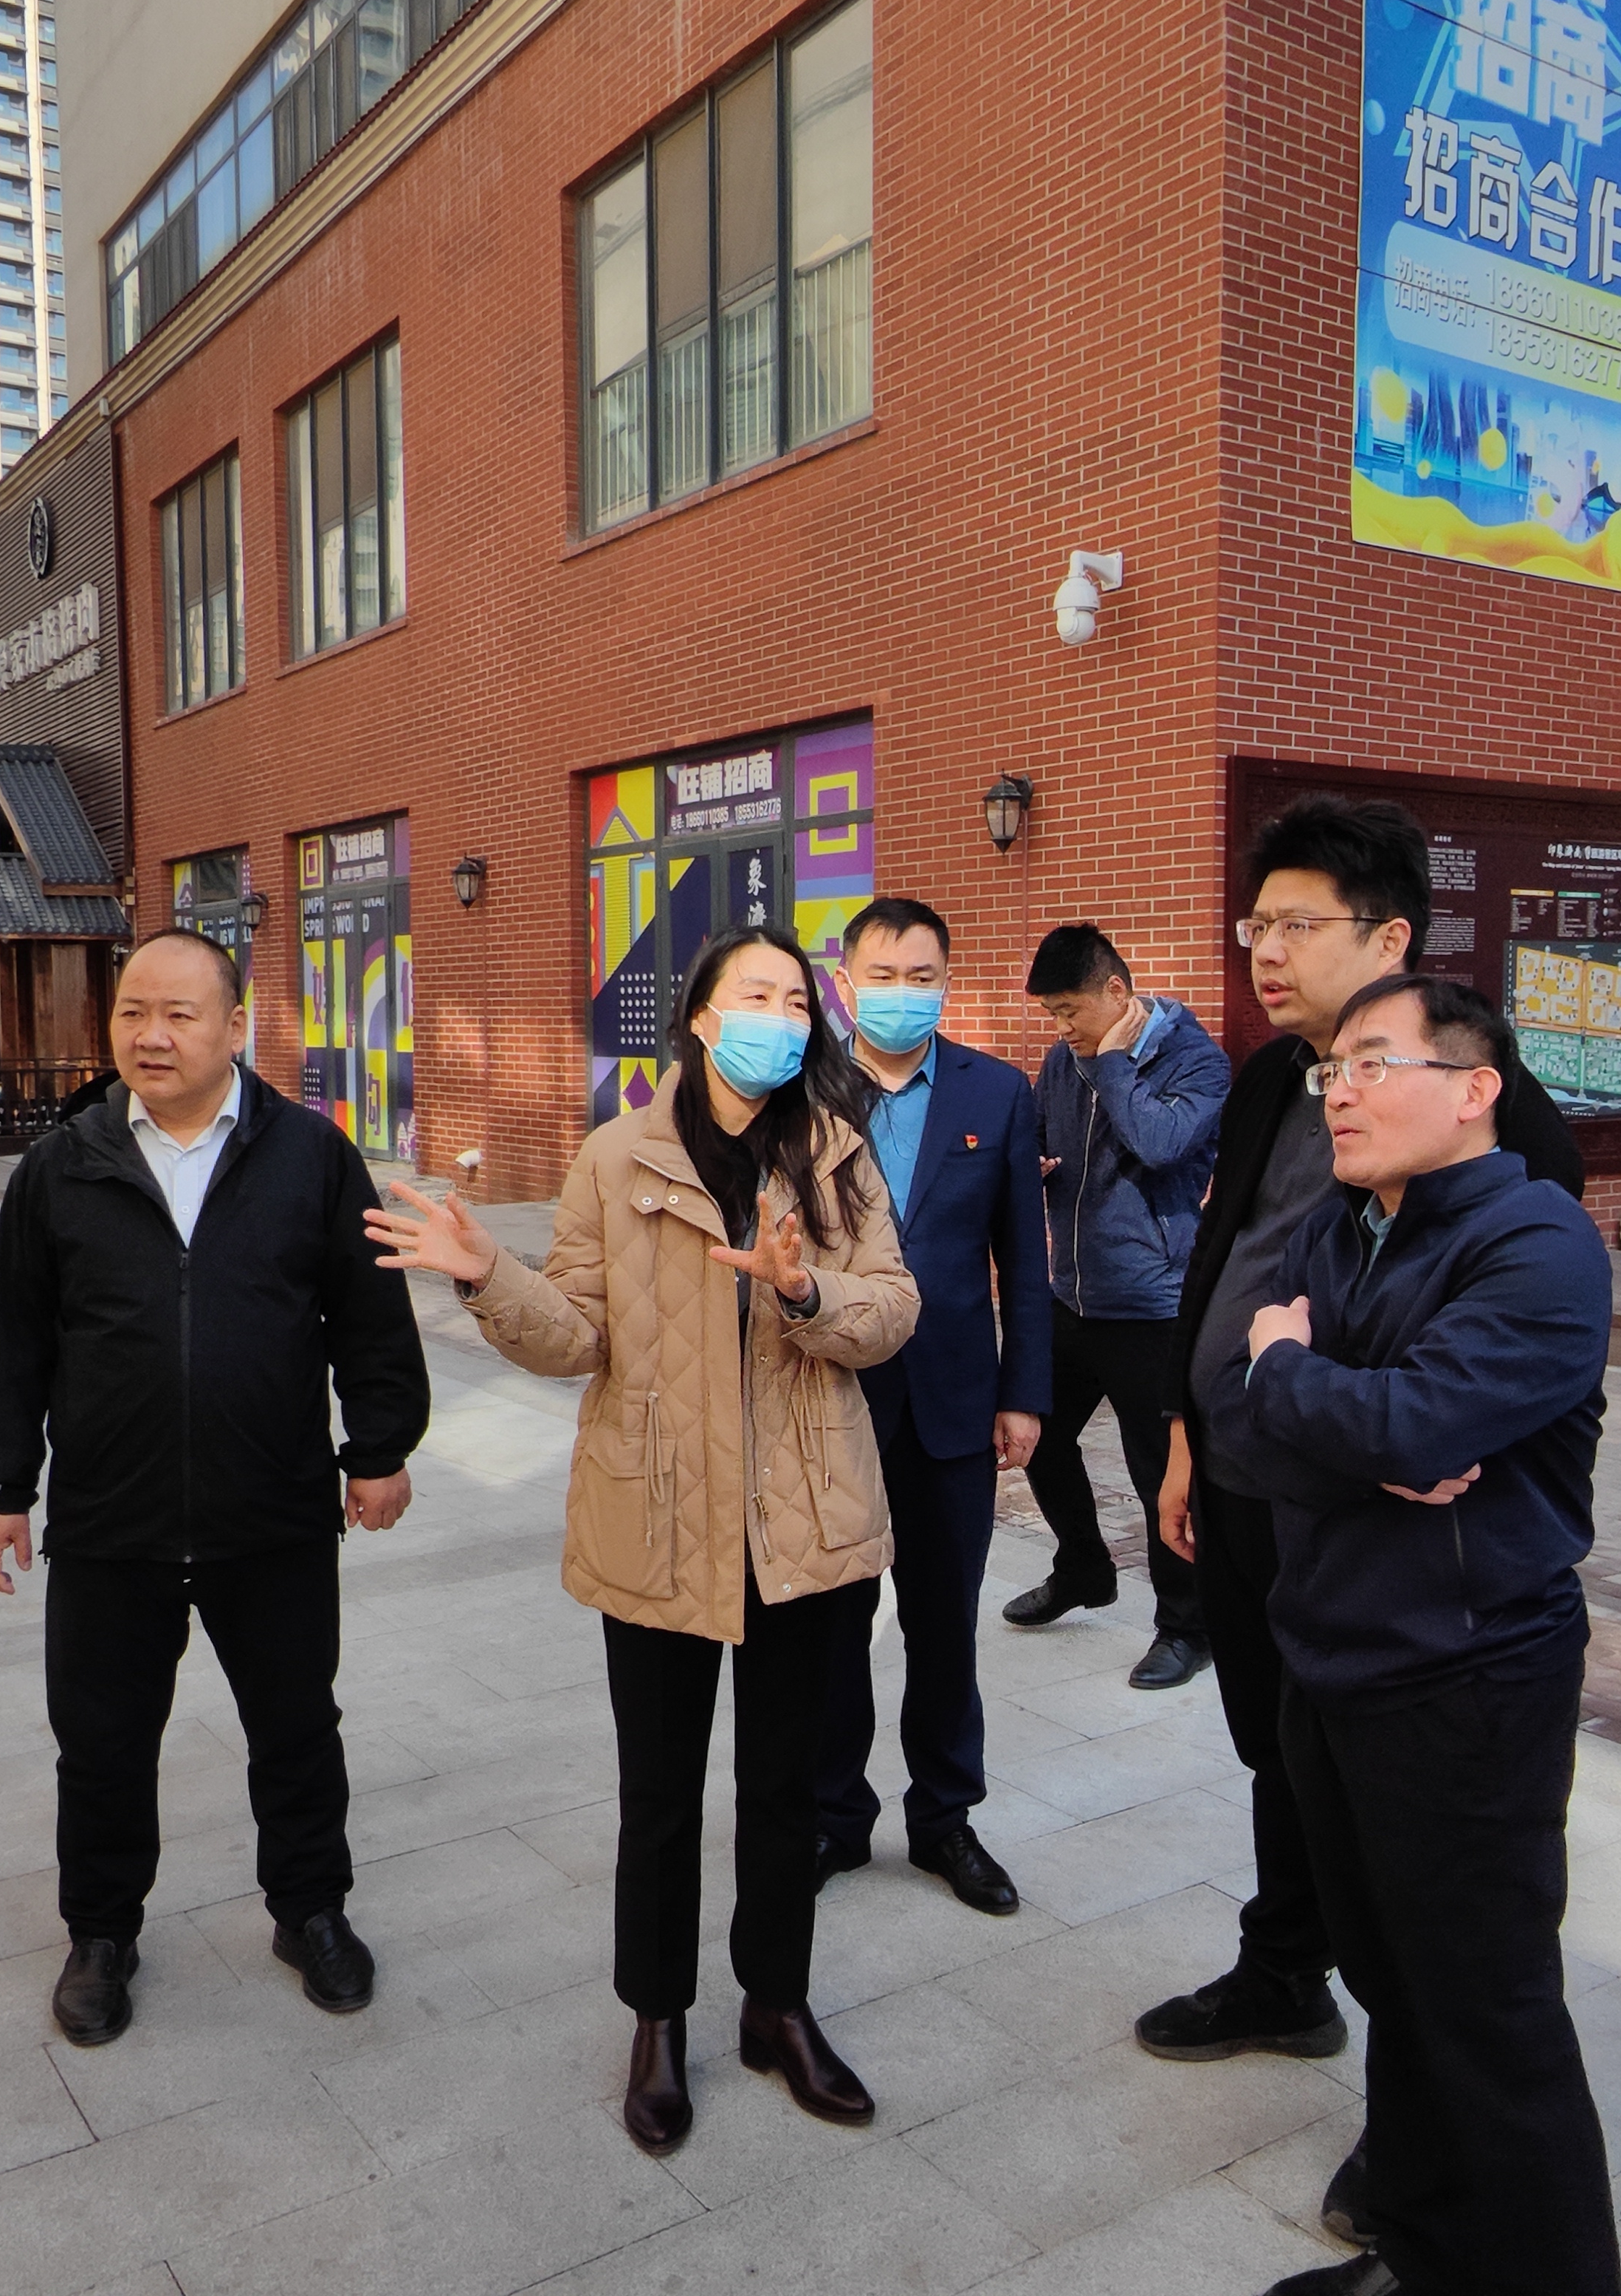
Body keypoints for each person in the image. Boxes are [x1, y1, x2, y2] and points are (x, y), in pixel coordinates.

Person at [365, 924, 920, 2158]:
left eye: (797, 1000)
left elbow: (894, 1311)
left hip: (805, 1520)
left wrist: (801, 1290)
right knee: (659, 1798)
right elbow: (577, 1335)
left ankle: (777, 2009)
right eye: (757, 996)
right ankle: (658, 2022)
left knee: (785, 1788)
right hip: (658, 1516)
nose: (782, 1017)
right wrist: (488, 1275)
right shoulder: (616, 1158)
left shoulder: (833, 1150)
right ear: (704, 1019)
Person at [1142, 796, 1585, 2249]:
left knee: (1465, 1972)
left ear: (1389, 937)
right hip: (1282, 1520)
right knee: (1302, 1780)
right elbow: (1234, 1281)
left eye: (1294, 924)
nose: (1262, 950)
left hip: (1435, 1611)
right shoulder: (1282, 1091)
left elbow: (1436, 1404)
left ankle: (1449, 2187)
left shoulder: (1505, 1158)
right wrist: (1207, 1421)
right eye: (1253, 924)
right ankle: (1300, 1992)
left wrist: (1335, 1399)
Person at [0, 928, 430, 2049]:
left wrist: (378, 1448)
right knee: (103, 1743)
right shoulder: (62, 1166)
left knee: (297, 1726)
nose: (152, 1034)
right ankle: (101, 1934)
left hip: (271, 1512)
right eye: (133, 1012)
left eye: (179, 1013)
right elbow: (11, 1340)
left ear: (235, 1027)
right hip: (110, 1520)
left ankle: (311, 1911)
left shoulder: (310, 1156)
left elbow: (368, 1318)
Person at [1242, 972, 1620, 2296]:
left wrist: (1296, 1374)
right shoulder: (1335, 1230)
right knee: (1393, 1982)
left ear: (1474, 1090)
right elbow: (1256, 1432)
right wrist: (1340, 1416)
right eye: (1330, 1071)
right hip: (1329, 1653)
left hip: (1468, 1677)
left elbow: (1404, 1422)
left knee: (1488, 2013)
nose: (1338, 1093)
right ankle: (1421, 2246)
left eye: (1373, 1064)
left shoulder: (1538, 1244)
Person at [813, 896, 1053, 1915]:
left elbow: (1024, 1260)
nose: (902, 995)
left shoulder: (995, 1092)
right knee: (832, 1624)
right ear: (845, 981)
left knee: (944, 1625)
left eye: (922, 977)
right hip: (830, 1399)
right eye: (882, 976)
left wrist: (1024, 1394)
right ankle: (833, 1813)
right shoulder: (802, 1087)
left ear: (947, 982)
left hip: (953, 1403)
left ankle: (945, 1818)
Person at [1008, 922, 1230, 1689]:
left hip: (1153, 1304)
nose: (1062, 1028)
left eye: (1070, 1010)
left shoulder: (1196, 1061)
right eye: (1052, 1014)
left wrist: (1110, 1061)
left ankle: (1187, 1627)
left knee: (1156, 1471)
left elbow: (1160, 1143)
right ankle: (1082, 1568)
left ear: (1116, 991)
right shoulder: (1062, 1058)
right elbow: (1038, 1137)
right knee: (1035, 1434)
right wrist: (1030, 1169)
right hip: (1071, 1293)